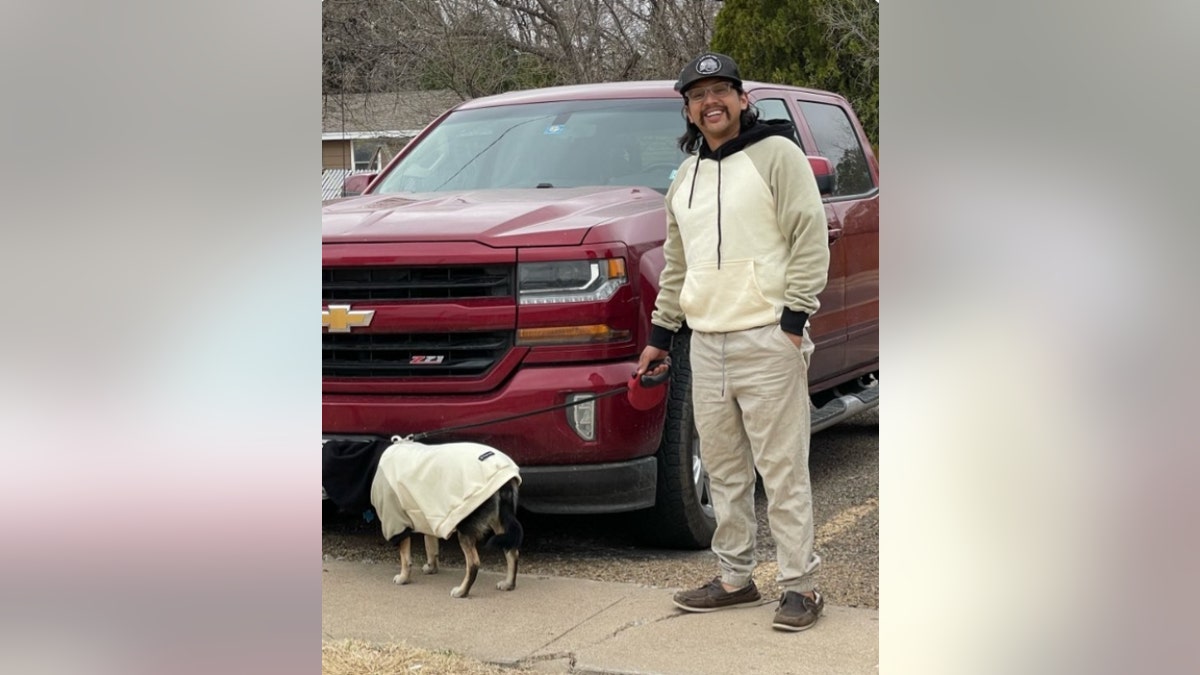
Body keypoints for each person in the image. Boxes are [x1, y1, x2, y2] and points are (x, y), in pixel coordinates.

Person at [635, 52, 830, 632]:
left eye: (721, 90)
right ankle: (735, 579)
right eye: (698, 95)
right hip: (706, 343)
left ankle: (800, 586)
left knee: (783, 469)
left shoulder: (778, 155)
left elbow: (809, 237)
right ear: (688, 110)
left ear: (744, 99)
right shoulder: (685, 176)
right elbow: (677, 265)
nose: (710, 102)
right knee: (724, 471)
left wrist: (792, 323)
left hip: (768, 337)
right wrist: (660, 337)